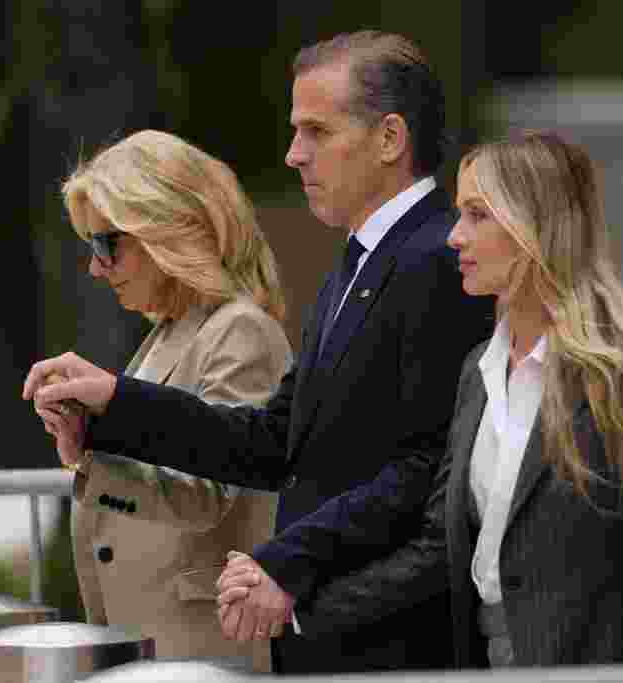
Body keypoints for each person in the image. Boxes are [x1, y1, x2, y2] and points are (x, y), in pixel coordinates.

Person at [25, 31, 495, 674]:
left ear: (390, 138)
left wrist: (287, 563)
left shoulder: (438, 259)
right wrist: (115, 402)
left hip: (387, 642)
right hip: (329, 633)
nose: (293, 154)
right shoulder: (360, 264)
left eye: (316, 132)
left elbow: (422, 469)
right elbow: (273, 441)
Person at [220, 131, 623, 668]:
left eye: (478, 215)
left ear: (537, 227)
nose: (455, 236)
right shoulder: (478, 373)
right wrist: (296, 607)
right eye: (459, 214)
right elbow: (439, 550)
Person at [36, 129, 293, 673]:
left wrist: (97, 463)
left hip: (202, 648)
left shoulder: (240, 330)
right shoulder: (172, 331)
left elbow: (207, 494)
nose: (95, 267)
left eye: (106, 244)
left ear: (170, 232)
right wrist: (86, 446)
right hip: (157, 643)